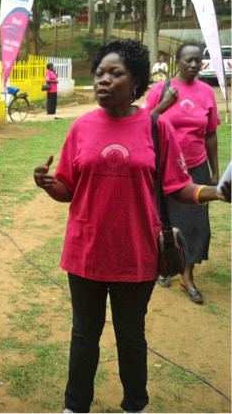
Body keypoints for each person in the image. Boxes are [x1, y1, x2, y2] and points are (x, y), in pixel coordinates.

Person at [33, 39, 226, 413]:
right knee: (84, 336)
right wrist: (47, 184)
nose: (104, 80)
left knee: (131, 337)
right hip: (85, 251)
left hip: (136, 255)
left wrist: (213, 192)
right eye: (100, 73)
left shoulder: (156, 128)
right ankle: (75, 405)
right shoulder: (81, 128)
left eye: (115, 73)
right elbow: (67, 188)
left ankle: (135, 404)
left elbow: (177, 187)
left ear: (135, 80)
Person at [143, 42, 220, 303]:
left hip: (196, 165)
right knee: (163, 219)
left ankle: (188, 276)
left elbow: (210, 133)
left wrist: (214, 171)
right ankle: (164, 265)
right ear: (177, 61)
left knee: (197, 223)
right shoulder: (160, 90)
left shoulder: (207, 92)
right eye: (188, 60)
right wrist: (164, 104)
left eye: (198, 60)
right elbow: (142, 123)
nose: (194, 65)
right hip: (163, 166)